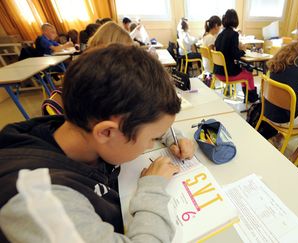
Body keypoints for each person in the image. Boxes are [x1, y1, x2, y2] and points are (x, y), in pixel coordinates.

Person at [0, 44, 195, 242]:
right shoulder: (40, 203)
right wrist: (153, 186)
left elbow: (145, 121)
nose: (151, 146)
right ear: (106, 132)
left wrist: (174, 137)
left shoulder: (77, 127)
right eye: (152, 139)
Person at [214, 9, 259, 103]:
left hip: (218, 72)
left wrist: (238, 49)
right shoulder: (234, 34)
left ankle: (248, 97)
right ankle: (252, 99)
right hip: (227, 74)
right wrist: (242, 50)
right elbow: (235, 55)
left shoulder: (220, 35)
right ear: (235, 20)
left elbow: (227, 51)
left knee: (244, 71)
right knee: (248, 75)